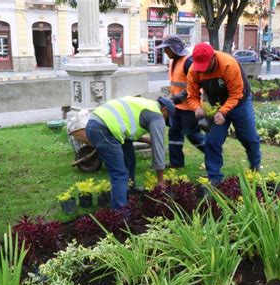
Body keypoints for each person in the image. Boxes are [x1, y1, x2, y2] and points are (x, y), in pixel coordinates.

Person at [68, 96, 167, 209]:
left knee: (129, 160)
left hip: (96, 124)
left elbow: (128, 127)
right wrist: (160, 180)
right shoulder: (157, 115)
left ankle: (129, 191)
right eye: (166, 118)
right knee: (119, 174)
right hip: (104, 130)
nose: (164, 122)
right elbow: (158, 148)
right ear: (164, 110)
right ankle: (121, 213)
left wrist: (145, 140)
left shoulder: (146, 104)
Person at [186, 43, 261, 184]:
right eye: (200, 66)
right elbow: (192, 95)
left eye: (206, 65)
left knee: (249, 138)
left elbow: (236, 93)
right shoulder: (194, 70)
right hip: (217, 104)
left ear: (213, 58)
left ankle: (255, 167)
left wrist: (223, 112)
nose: (204, 69)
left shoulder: (228, 64)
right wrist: (196, 107)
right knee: (212, 141)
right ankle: (214, 177)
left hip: (240, 103)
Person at [155, 35, 205, 168]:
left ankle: (213, 153)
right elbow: (176, 84)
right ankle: (176, 162)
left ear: (174, 48)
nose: (165, 52)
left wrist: (177, 98)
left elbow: (195, 85)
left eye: (166, 49)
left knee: (193, 135)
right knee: (174, 132)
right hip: (177, 107)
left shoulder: (189, 61)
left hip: (190, 107)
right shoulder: (173, 62)